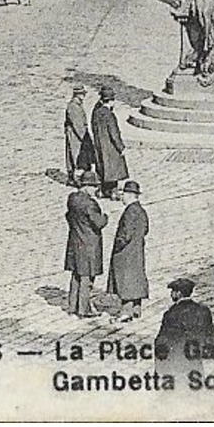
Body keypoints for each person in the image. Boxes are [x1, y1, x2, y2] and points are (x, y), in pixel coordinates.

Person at [155, 278, 214, 381]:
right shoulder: (203, 310)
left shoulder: (171, 314)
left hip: (176, 364)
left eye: (172, 292)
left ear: (178, 293)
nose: (171, 294)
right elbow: (212, 339)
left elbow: (162, 342)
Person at [107, 180, 149, 322]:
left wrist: (118, 246)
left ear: (130, 195)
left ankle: (126, 313)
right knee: (136, 278)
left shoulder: (130, 212)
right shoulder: (141, 211)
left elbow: (125, 234)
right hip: (137, 251)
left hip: (126, 253)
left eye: (123, 194)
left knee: (126, 281)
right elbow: (145, 230)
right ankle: (137, 308)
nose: (121, 197)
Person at [64, 185, 106, 318]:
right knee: (86, 278)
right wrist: (105, 217)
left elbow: (68, 216)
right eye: (94, 187)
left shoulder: (72, 199)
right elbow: (98, 222)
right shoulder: (90, 204)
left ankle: (72, 306)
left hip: (75, 242)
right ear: (88, 187)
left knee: (76, 275)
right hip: (89, 244)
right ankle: (84, 309)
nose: (96, 190)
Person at [89, 86, 129, 198]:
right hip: (110, 147)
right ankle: (113, 192)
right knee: (113, 170)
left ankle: (103, 190)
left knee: (103, 168)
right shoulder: (109, 115)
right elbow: (114, 134)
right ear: (111, 101)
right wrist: (121, 148)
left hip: (100, 146)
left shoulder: (96, 112)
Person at [64, 86, 94, 186]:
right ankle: (75, 178)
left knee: (77, 156)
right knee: (75, 156)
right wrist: (85, 138)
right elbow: (78, 125)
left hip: (77, 134)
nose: (83, 96)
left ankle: (75, 177)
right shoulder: (73, 107)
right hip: (75, 136)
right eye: (82, 94)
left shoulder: (77, 105)